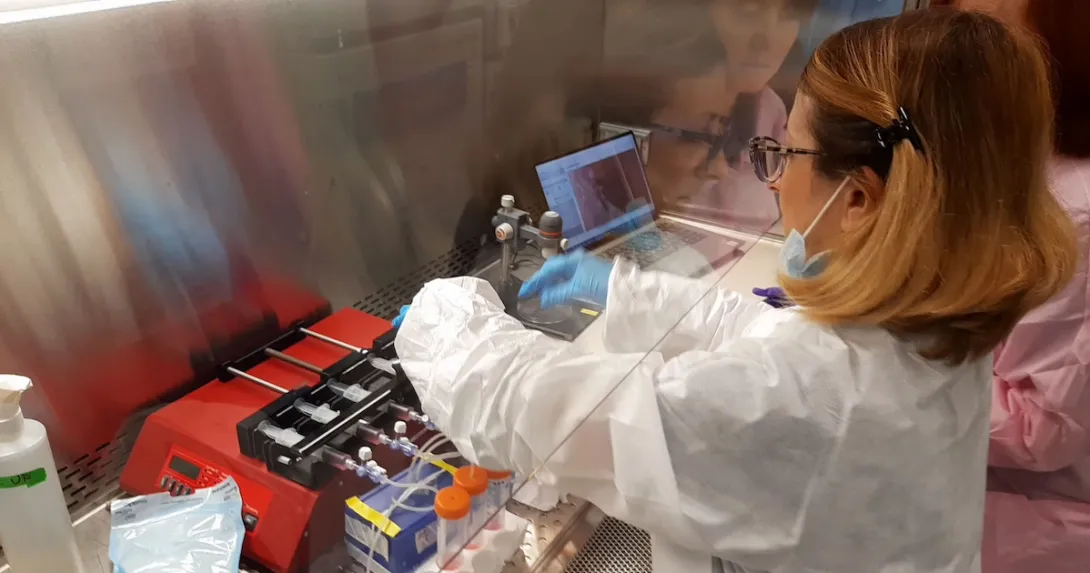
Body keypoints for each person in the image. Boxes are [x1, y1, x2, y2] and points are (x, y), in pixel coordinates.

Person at [395, 10, 1078, 572]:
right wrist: (626, 290)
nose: (773, 179)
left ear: (861, 199)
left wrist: (441, 311)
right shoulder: (939, 319)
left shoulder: (795, 399)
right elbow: (769, 329)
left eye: (785, 155)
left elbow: (536, 409)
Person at [932, 1, 1090, 571]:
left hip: (1033, 513)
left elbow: (1043, 429)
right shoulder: (1016, 161)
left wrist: (900, 373)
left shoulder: (1075, 212)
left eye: (993, 39)